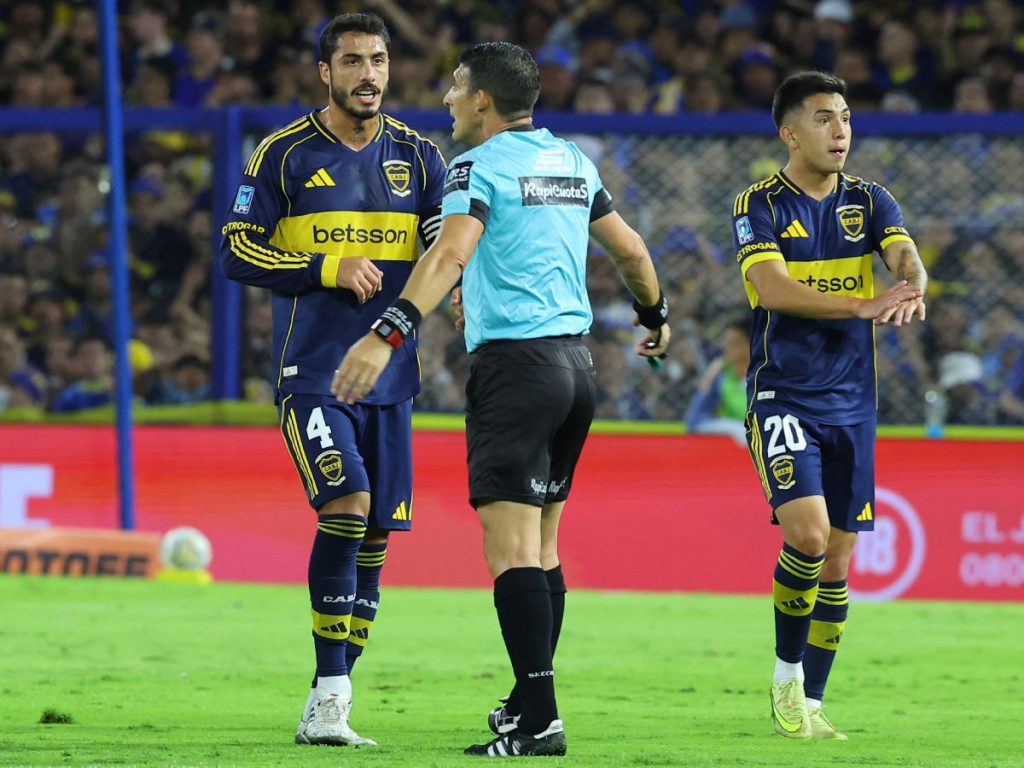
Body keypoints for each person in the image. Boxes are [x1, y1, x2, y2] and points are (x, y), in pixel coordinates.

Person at [331, 41, 670, 758]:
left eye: (456, 88)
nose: (449, 100)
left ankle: (542, 720)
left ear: (482, 100)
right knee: (543, 547)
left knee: (510, 550)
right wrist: (654, 316)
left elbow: (450, 251)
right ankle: (524, 702)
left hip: (516, 371)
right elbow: (633, 253)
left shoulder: (474, 166)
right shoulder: (572, 161)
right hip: (577, 369)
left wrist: (386, 333)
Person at [219, 12, 446, 747]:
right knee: (347, 503)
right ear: (326, 72)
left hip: (393, 375)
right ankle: (332, 693)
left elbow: (451, 251)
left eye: (378, 60)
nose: (369, 74)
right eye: (352, 61)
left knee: (377, 532)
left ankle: (330, 696)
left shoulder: (421, 156)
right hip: (313, 370)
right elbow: (236, 250)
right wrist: (326, 265)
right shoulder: (283, 154)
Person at [731, 71, 927, 741]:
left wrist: (911, 280)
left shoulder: (871, 200)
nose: (840, 130)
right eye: (823, 118)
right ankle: (786, 675)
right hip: (784, 394)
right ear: (790, 132)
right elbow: (771, 287)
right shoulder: (757, 202)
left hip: (853, 403)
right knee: (808, 537)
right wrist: (862, 305)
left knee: (839, 560)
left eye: (845, 117)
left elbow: (904, 252)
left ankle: (812, 701)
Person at [683, 316, 750, 444]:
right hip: (736, 448)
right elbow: (694, 421)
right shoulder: (721, 376)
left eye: (734, 343)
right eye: (726, 342)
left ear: (750, 345)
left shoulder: (769, 375)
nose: (726, 348)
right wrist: (734, 428)